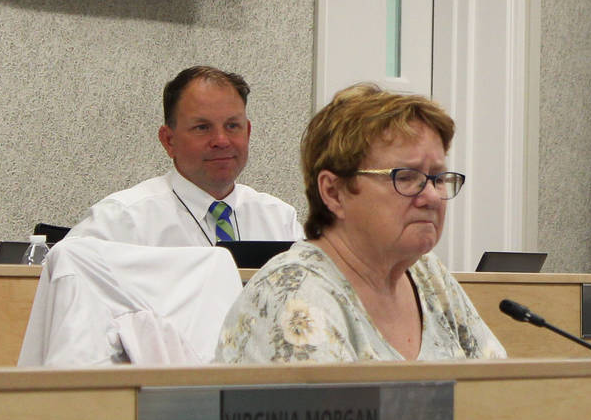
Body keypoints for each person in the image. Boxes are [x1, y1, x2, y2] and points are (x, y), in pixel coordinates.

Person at [216, 84, 505, 363]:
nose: (431, 196)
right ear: (333, 192)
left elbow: (503, 392)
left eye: (438, 177)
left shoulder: (428, 274)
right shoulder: (292, 295)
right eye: (405, 177)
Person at [68, 67, 304, 247]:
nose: (221, 140)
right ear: (169, 141)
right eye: (202, 127)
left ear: (248, 132)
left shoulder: (280, 222)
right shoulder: (120, 221)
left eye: (233, 126)